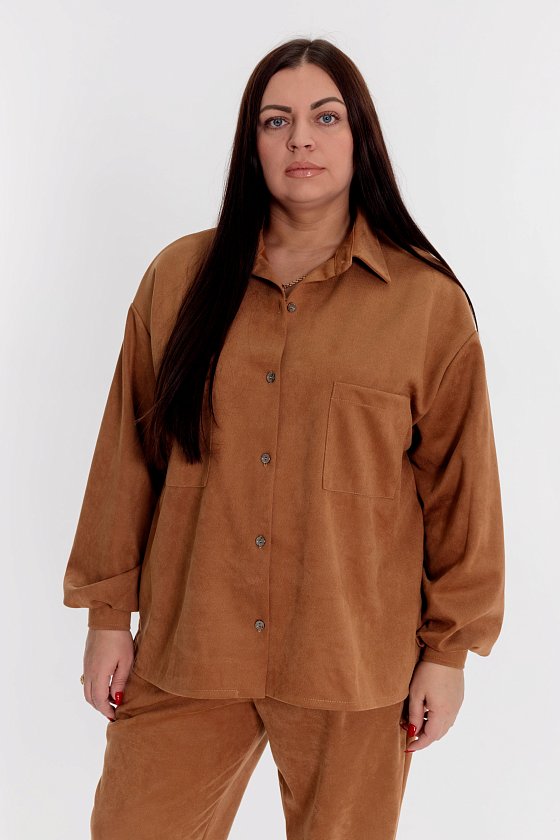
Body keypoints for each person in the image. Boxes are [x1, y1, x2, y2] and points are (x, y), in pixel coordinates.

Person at [62, 37, 505, 840]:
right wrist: (106, 616)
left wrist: (449, 652)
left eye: (325, 117)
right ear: (252, 142)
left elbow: (461, 492)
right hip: (192, 645)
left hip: (352, 659)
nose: (301, 138)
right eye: (277, 120)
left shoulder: (427, 304)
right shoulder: (178, 280)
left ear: (360, 136)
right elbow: (127, 459)